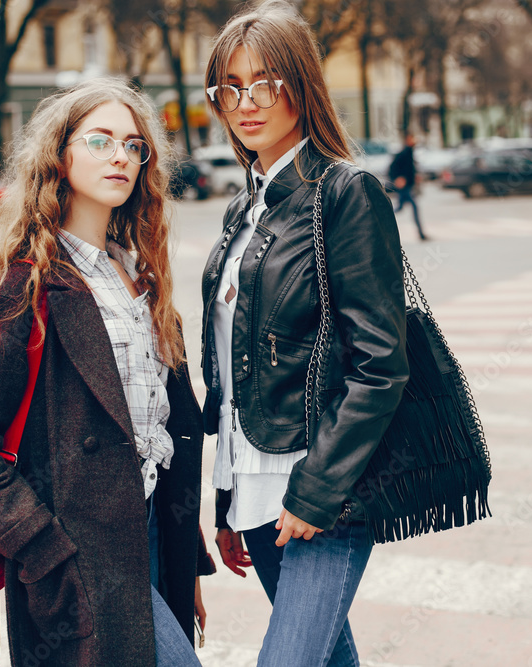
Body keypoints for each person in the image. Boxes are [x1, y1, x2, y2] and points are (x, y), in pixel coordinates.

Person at [0, 77, 213, 667]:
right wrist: (44, 549)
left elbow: (166, 433)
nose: (121, 157)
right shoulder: (25, 286)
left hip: (156, 533)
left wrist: (186, 561)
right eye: (100, 140)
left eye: (135, 146)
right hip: (81, 557)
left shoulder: (141, 278)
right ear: (60, 155)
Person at [202, 3, 409, 666]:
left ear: (301, 84)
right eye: (229, 87)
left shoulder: (346, 192)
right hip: (256, 486)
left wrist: (318, 489)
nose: (246, 102)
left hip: (324, 487)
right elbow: (235, 371)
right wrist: (227, 497)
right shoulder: (243, 207)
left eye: (264, 82)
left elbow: (381, 364)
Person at [389, 133, 427, 240]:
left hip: (408, 186)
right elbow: (392, 167)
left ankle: (421, 234)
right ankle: (421, 234)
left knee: (400, 208)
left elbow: (409, 169)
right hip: (405, 188)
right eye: (412, 138)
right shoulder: (404, 152)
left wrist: (414, 177)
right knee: (412, 207)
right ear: (407, 139)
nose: (415, 140)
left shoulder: (410, 152)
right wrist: (398, 178)